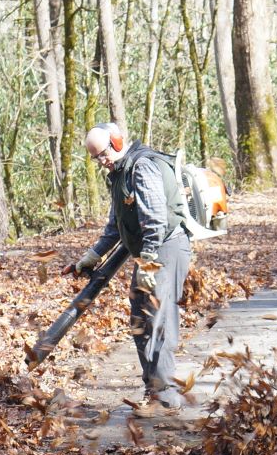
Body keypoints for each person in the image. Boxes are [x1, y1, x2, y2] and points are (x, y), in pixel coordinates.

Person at [74, 123, 193, 410]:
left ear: (116, 142)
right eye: (96, 158)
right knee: (141, 320)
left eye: (103, 154)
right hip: (150, 253)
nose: (102, 161)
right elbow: (116, 226)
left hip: (165, 248)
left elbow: (155, 221)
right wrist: (92, 256)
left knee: (158, 319)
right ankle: (155, 390)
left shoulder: (142, 167)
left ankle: (165, 396)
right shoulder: (119, 175)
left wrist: (149, 262)